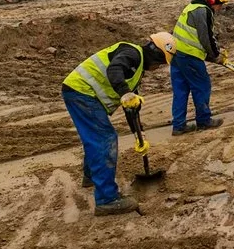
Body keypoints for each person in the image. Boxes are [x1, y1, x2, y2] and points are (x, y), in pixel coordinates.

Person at [61, 32, 176, 216]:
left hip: (81, 92)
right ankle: (107, 199)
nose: (158, 68)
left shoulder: (136, 69)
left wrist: (139, 136)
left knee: (95, 137)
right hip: (82, 92)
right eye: (161, 63)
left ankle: (90, 176)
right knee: (104, 139)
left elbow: (131, 108)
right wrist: (124, 92)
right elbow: (114, 70)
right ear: (157, 56)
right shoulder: (132, 54)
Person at [170, 0, 229, 135]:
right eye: (220, 5)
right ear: (213, 1)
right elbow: (206, 38)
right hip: (189, 56)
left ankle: (179, 125)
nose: (220, 9)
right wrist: (216, 55)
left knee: (181, 90)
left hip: (176, 54)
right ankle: (204, 121)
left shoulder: (192, 6)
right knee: (202, 86)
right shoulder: (203, 11)